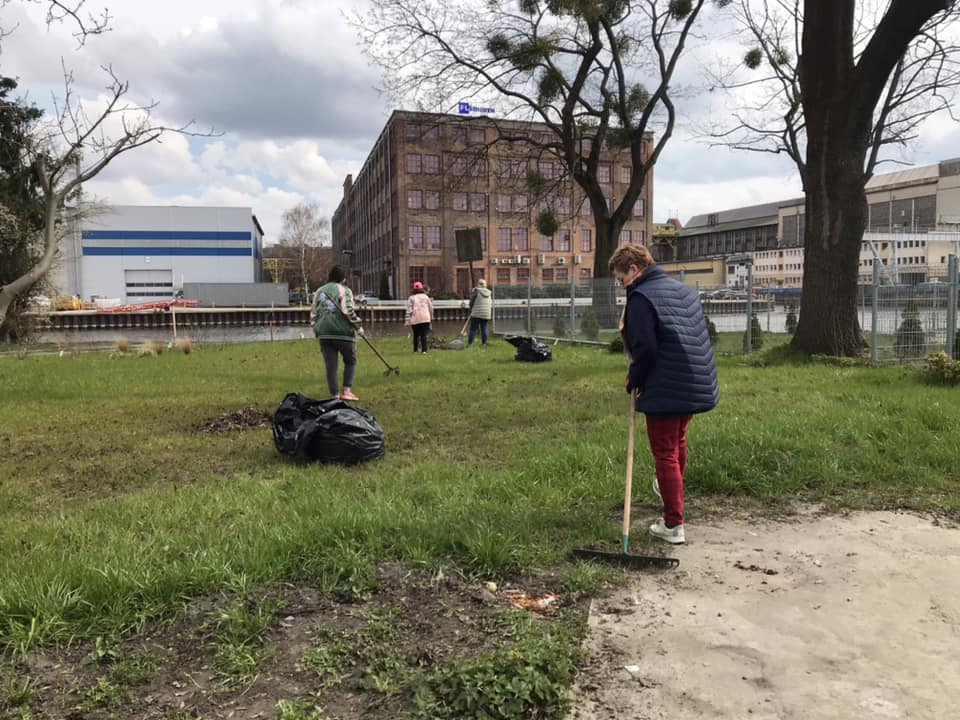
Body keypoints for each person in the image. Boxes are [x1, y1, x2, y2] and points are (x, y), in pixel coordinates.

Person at [609, 244, 719, 545]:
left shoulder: (642, 297)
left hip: (666, 385)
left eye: (622, 279)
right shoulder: (681, 291)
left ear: (633, 269)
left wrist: (634, 379)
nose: (622, 286)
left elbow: (645, 348)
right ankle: (671, 490)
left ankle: (673, 524)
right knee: (678, 441)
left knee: (665, 452)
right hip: (694, 380)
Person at [310, 266, 364, 401]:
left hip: (324, 333)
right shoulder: (345, 290)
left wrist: (316, 329)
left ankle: (334, 395)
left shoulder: (319, 291)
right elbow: (348, 311)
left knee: (331, 366)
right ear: (343, 278)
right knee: (350, 361)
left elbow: (313, 313)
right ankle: (347, 390)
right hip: (342, 333)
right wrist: (358, 326)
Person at [405, 280, 434, 354]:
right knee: (423, 335)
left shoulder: (411, 298)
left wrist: (407, 320)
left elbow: (409, 309)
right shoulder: (426, 297)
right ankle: (424, 350)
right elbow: (430, 308)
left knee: (416, 334)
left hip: (415, 318)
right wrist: (431, 318)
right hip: (425, 318)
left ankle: (415, 350)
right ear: (422, 289)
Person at [467, 278, 492, 347]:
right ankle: (484, 343)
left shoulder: (476, 292)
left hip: (477, 313)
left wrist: (471, 308)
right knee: (484, 328)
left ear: (479, 284)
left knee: (473, 329)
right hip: (486, 314)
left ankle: (470, 344)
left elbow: (471, 302)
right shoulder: (489, 293)